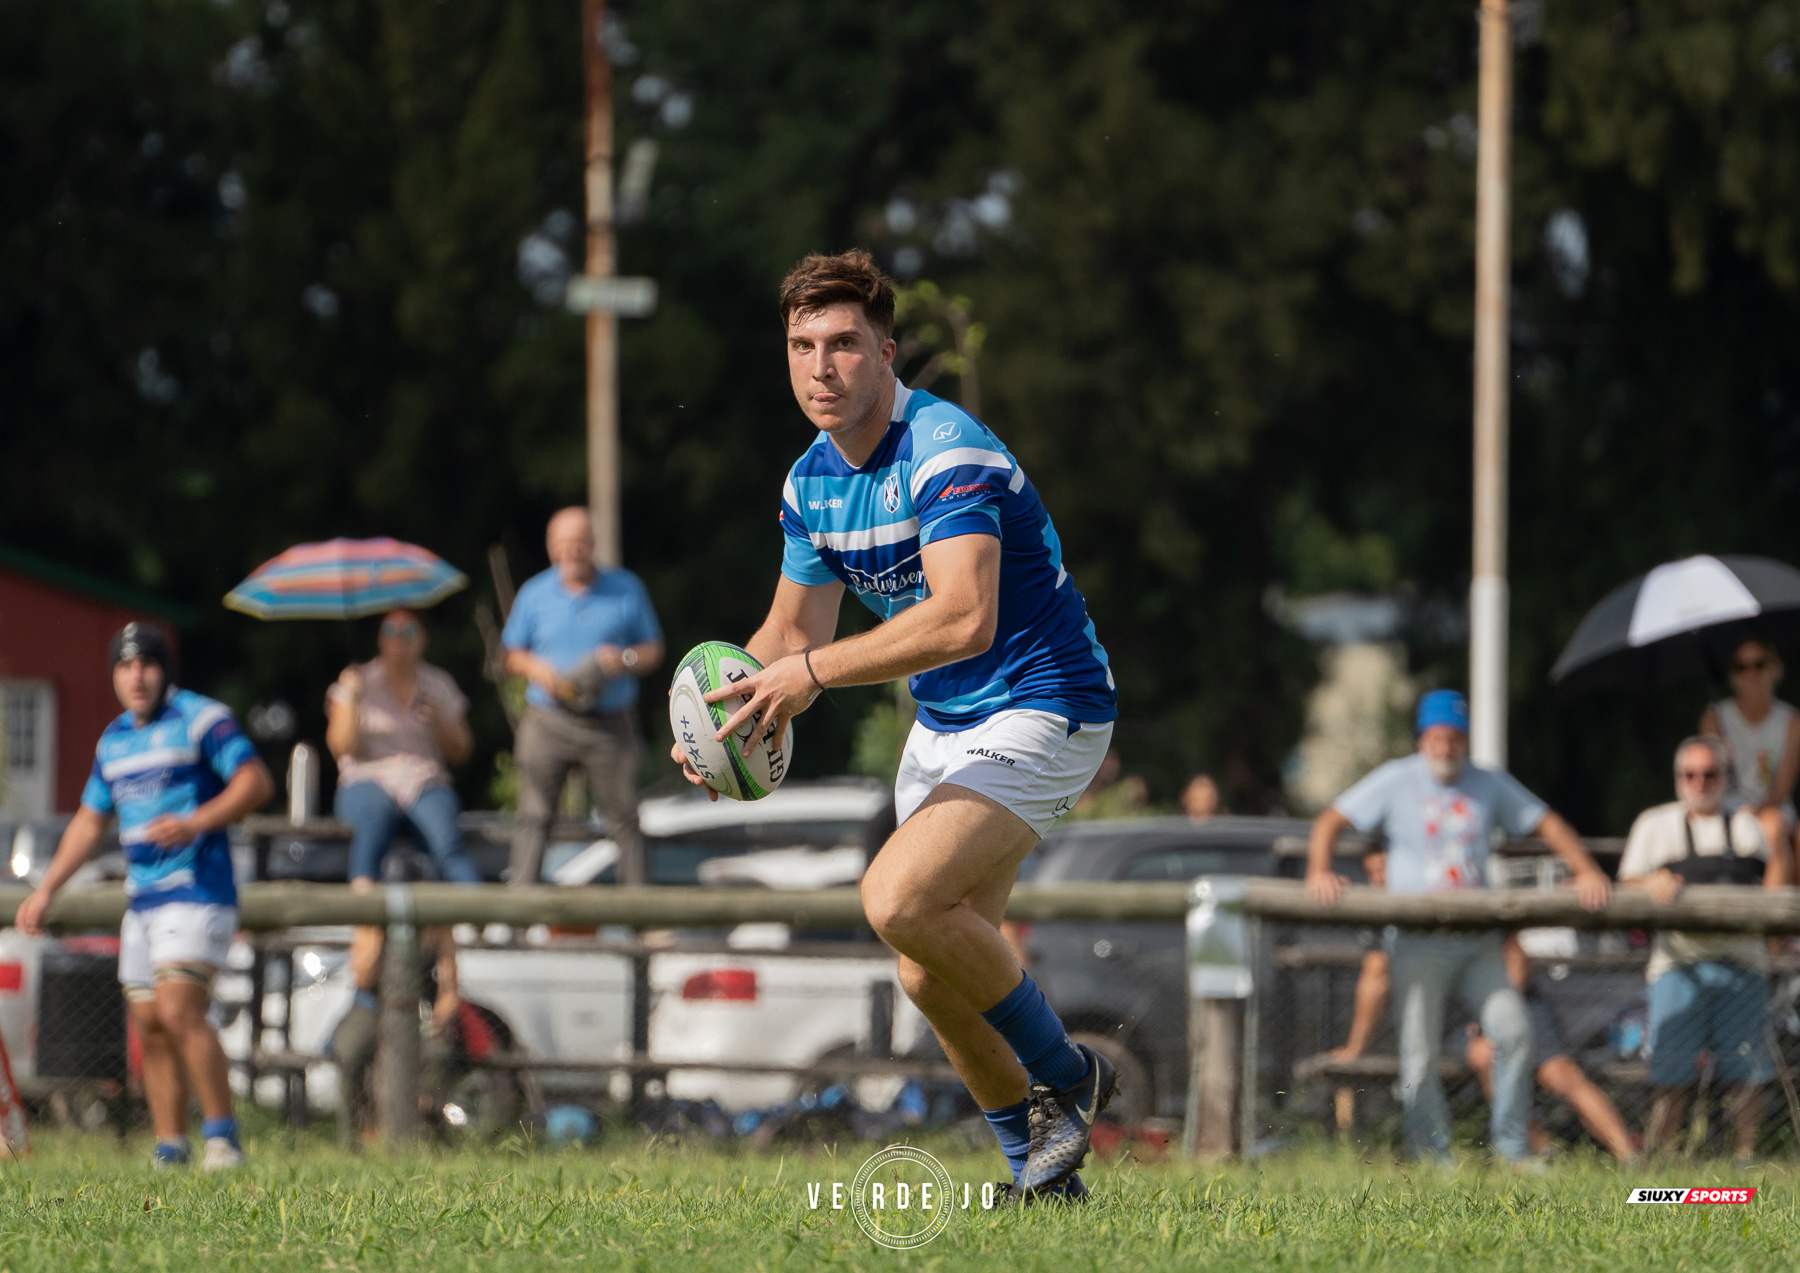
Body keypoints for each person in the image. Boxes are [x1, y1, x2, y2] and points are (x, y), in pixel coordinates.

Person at [672, 250, 1118, 1201]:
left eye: (842, 344)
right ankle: (1042, 1180)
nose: (820, 367)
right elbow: (791, 629)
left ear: (886, 349)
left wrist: (809, 672)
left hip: (1047, 701)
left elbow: (966, 617)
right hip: (950, 722)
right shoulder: (810, 482)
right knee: (927, 975)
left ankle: (1076, 1079)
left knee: (896, 899)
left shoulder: (945, 446)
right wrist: (725, 720)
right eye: (801, 346)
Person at [1304, 689, 1612, 1165]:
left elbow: (1546, 822)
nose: (1446, 746)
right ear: (1422, 739)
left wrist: (1587, 870)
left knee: (1512, 1032)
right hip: (1416, 940)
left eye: (1454, 738)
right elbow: (1328, 822)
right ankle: (1432, 1158)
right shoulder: (1395, 779)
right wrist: (1319, 871)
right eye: (1437, 737)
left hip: (1477, 939)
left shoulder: (1487, 782)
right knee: (1419, 1053)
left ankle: (1512, 1149)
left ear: (1465, 741)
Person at [15, 624, 273, 1170]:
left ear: (165, 670)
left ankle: (224, 1140)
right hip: (144, 899)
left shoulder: (202, 719)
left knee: (181, 1010)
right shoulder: (113, 741)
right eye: (126, 666)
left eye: (148, 664)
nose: (137, 676)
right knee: (151, 1024)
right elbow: (89, 821)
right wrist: (46, 890)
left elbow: (255, 782)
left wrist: (194, 821)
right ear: (114, 674)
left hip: (198, 889)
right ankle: (170, 1146)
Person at [1617, 734, 1785, 1165]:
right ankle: (1658, 1163)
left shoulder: (1749, 825)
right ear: (1677, 778)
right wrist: (1649, 882)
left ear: (1725, 777)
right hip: (1678, 962)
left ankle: (1744, 1160)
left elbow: (1770, 881)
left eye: (1710, 773)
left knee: (1747, 1071)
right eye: (1690, 774)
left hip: (1743, 961)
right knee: (1670, 1072)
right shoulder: (1654, 824)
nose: (1700, 782)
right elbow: (1626, 881)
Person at [503, 508, 664, 886]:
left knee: (625, 820)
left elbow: (654, 649)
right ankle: (517, 916)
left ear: (593, 544)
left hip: (609, 723)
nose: (572, 550)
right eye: (564, 543)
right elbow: (510, 653)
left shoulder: (626, 588)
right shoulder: (534, 593)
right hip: (548, 719)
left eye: (579, 542)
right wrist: (539, 670)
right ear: (551, 548)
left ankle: (641, 923)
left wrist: (623, 659)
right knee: (533, 817)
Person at [325, 608, 481, 888]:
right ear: (379, 639)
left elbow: (462, 752)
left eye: (408, 631)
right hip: (365, 778)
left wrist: (438, 723)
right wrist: (350, 697)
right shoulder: (356, 682)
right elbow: (340, 747)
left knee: (446, 842)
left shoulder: (438, 684)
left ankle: (481, 917)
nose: (399, 639)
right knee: (374, 819)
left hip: (424, 782)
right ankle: (365, 914)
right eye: (390, 631)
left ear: (423, 639)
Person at [1457, 935, 1640, 1163]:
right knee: (1484, 1057)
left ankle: (1629, 1155)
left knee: (1560, 1074)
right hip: (1471, 1017)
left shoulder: (1497, 929)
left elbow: (1517, 960)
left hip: (1520, 1006)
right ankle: (1542, 1152)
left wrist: (1501, 1017)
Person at [1699, 636, 1799, 878]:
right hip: (1726, 805)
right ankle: (1769, 914)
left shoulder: (1791, 721)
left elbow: (1782, 790)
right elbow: (1708, 778)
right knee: (1773, 829)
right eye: (1741, 667)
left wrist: (1756, 809)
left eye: (1759, 664)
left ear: (1774, 669)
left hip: (1772, 805)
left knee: (1777, 824)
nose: (1750, 673)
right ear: (1733, 675)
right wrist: (1722, 756)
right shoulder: (1715, 717)